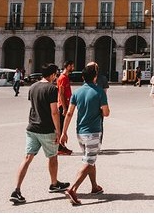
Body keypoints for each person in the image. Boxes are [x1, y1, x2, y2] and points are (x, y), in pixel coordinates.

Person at [9, 64, 69, 204]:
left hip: (32, 128)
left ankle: (16, 190)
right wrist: (58, 131)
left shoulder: (33, 87)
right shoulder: (51, 89)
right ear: (53, 74)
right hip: (46, 129)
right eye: (56, 73)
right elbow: (54, 112)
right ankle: (54, 184)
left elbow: (34, 106)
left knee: (27, 158)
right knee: (53, 157)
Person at [60, 64, 110, 206]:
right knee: (88, 161)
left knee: (89, 158)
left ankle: (94, 186)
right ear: (95, 77)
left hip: (80, 132)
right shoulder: (99, 92)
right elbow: (106, 113)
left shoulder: (77, 92)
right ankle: (73, 189)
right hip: (93, 132)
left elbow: (69, 113)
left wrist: (64, 132)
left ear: (83, 77)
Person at [56, 61, 75, 155]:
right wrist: (64, 108)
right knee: (61, 127)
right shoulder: (63, 78)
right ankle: (59, 148)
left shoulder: (66, 77)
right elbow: (61, 94)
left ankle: (61, 146)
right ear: (67, 66)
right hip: (62, 106)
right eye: (72, 66)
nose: (73, 68)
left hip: (65, 104)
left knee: (63, 126)